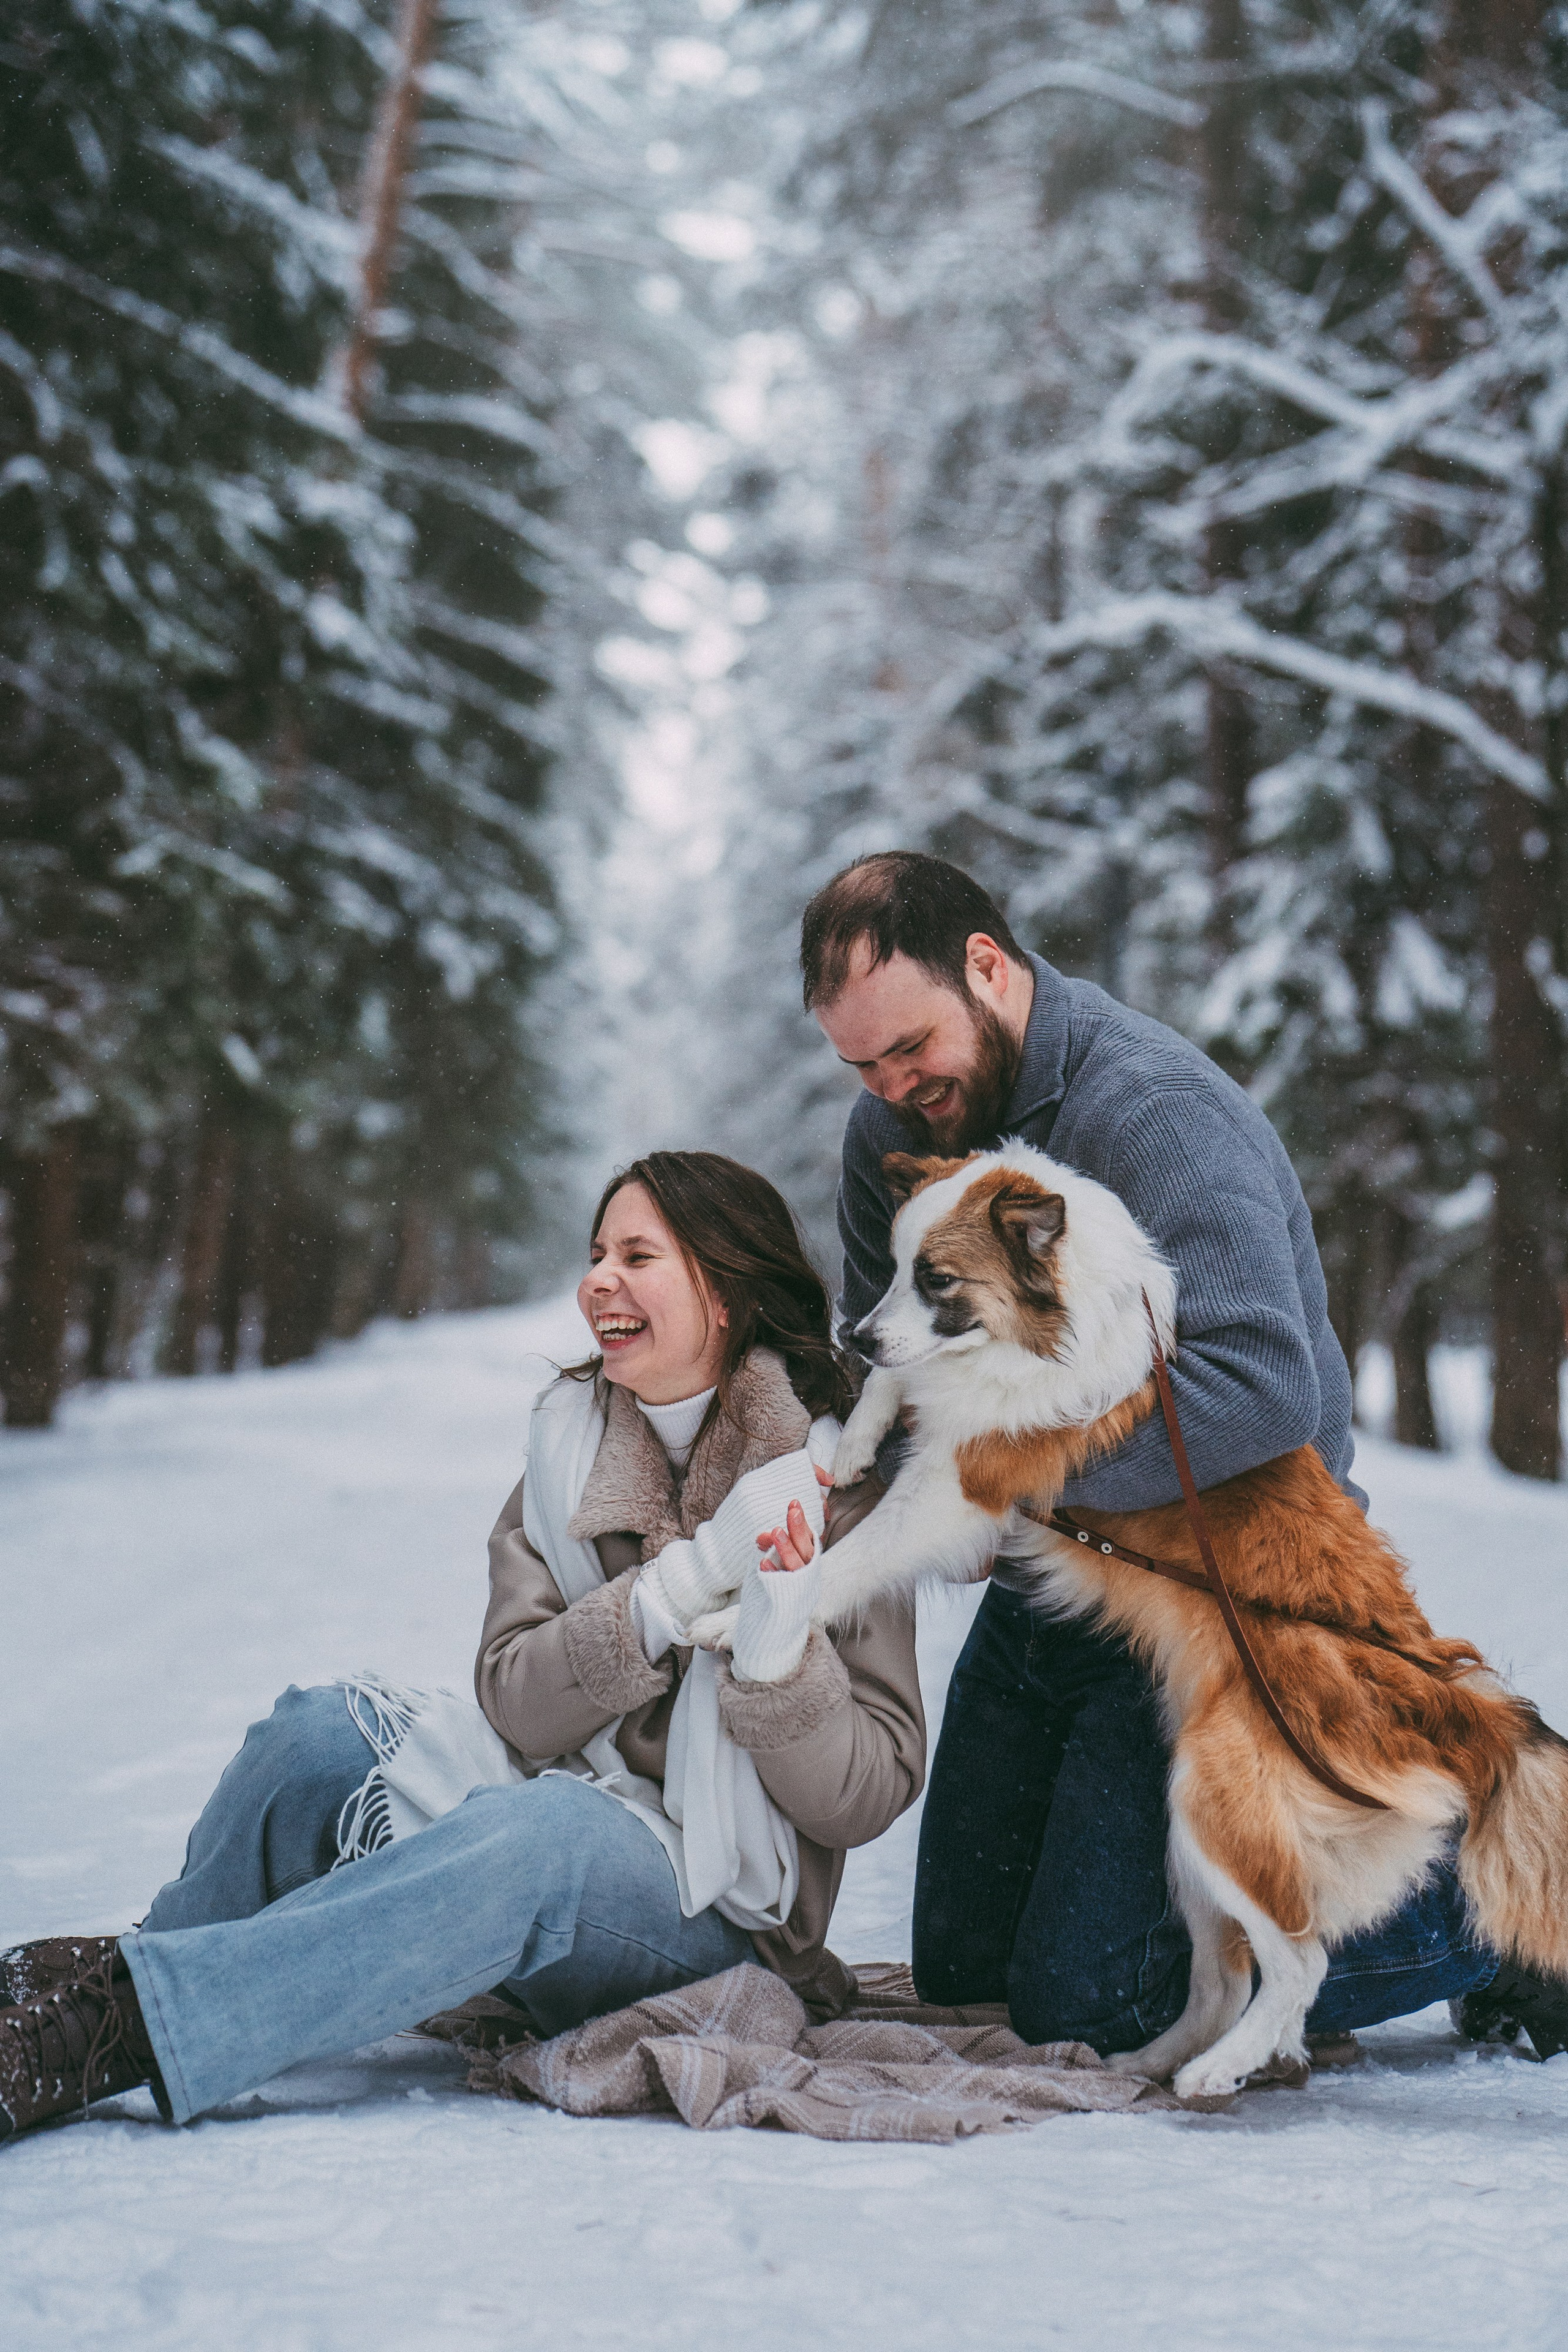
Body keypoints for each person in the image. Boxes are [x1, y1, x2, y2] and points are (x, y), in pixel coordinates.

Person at [804, 849, 1568, 2062]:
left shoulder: (1153, 1114)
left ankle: (1482, 1898)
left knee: (1101, 2003)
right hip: (1056, 1581)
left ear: (986, 968)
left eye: (910, 1048)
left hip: (1226, 1582)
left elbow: (1261, 1390)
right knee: (966, 1975)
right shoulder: (891, 1134)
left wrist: (1003, 1481)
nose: (895, 1089)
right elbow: (894, 1354)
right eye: (863, 1066)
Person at [0, 1152, 924, 2144]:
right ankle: (128, 1975)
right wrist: (673, 1593)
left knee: (546, 1835)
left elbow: (867, 1793)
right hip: (546, 1811)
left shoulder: (834, 1487)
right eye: (596, 1254)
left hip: (722, 1917)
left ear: (728, 1292)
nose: (599, 1281)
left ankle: (132, 2030)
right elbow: (515, 1703)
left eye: (638, 1256)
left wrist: (775, 1654)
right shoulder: (568, 1449)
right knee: (315, 1736)